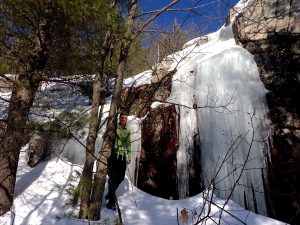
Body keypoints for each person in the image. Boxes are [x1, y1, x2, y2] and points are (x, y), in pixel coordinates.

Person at [106, 112, 131, 210]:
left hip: (122, 156)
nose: (124, 119)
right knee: (113, 177)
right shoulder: (115, 129)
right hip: (114, 155)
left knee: (120, 178)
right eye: (122, 118)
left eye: (125, 118)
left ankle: (109, 194)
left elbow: (128, 143)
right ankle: (111, 202)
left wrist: (129, 155)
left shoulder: (127, 131)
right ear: (119, 118)